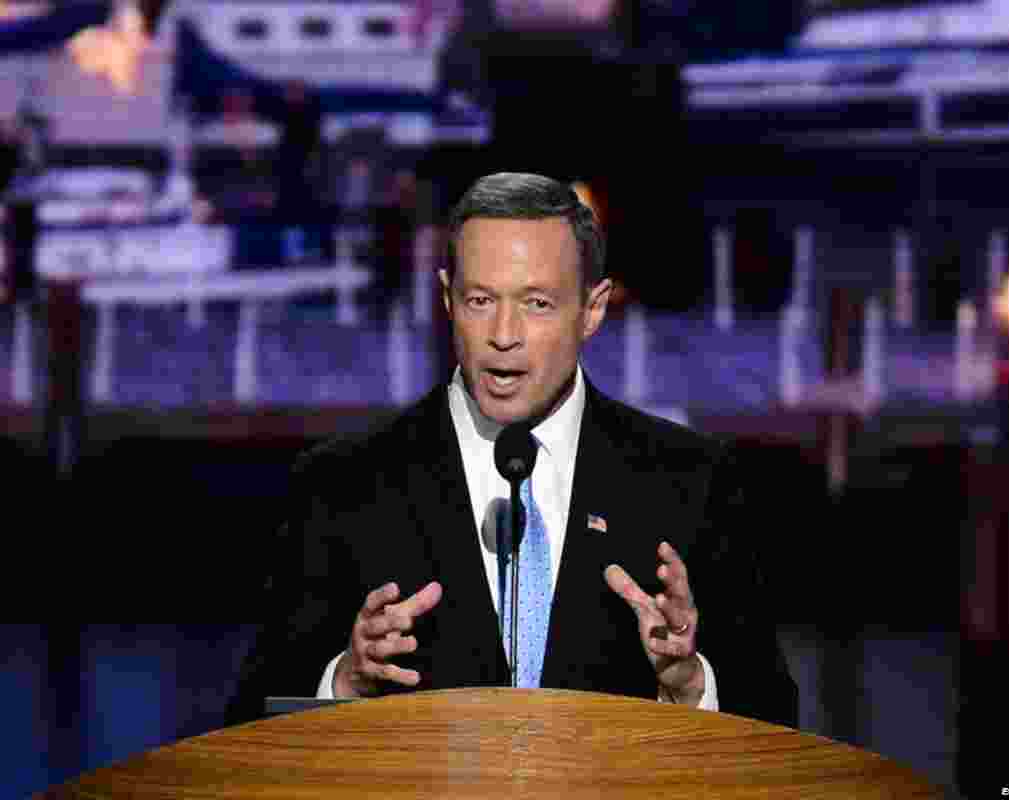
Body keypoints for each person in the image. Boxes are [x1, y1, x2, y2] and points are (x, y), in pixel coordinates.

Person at [225, 173, 797, 727]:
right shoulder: (342, 485)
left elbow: (776, 724)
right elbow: (248, 732)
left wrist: (690, 685)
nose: (504, 333)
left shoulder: (692, 482)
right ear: (448, 299)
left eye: (537, 304)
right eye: (480, 300)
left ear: (593, 309)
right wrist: (346, 682)